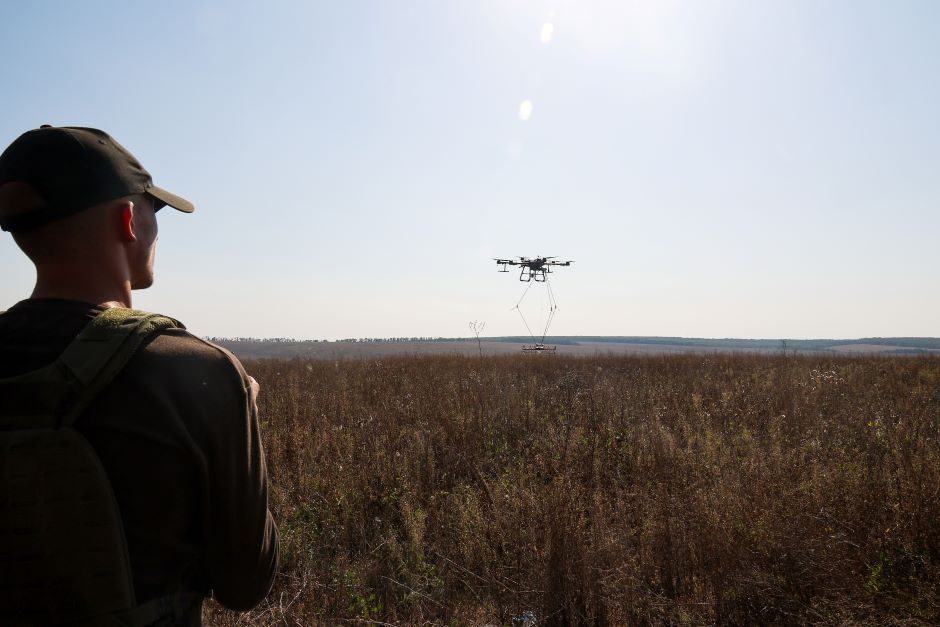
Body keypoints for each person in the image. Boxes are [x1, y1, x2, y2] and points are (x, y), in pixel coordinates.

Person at [0, 126, 278, 624]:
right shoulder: (199, 372)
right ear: (128, 220)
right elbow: (245, 584)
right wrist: (240, 415)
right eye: (154, 212)